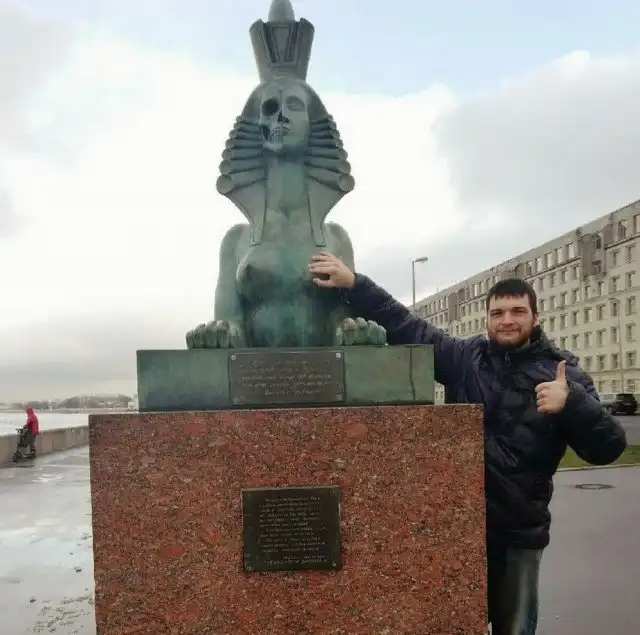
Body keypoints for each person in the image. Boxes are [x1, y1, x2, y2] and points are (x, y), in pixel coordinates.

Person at [308, 251, 627, 635]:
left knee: (515, 629)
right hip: (460, 527)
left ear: (535, 317)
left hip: (518, 535)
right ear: (487, 318)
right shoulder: (465, 358)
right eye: (498, 313)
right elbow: (407, 326)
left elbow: (608, 447)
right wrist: (355, 284)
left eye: (518, 311)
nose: (507, 320)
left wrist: (571, 403)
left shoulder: (562, 373)